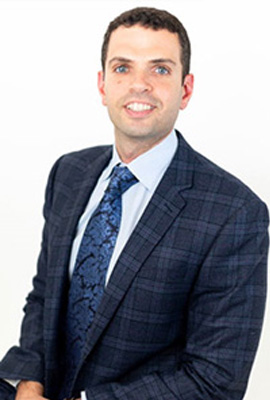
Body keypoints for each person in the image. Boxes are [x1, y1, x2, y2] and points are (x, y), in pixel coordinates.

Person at [0, 6, 268, 400]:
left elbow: (216, 380)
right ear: (102, 84)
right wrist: (28, 382)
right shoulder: (69, 173)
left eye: (159, 69)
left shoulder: (234, 214)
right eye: (122, 67)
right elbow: (44, 296)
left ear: (186, 89)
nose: (138, 84)